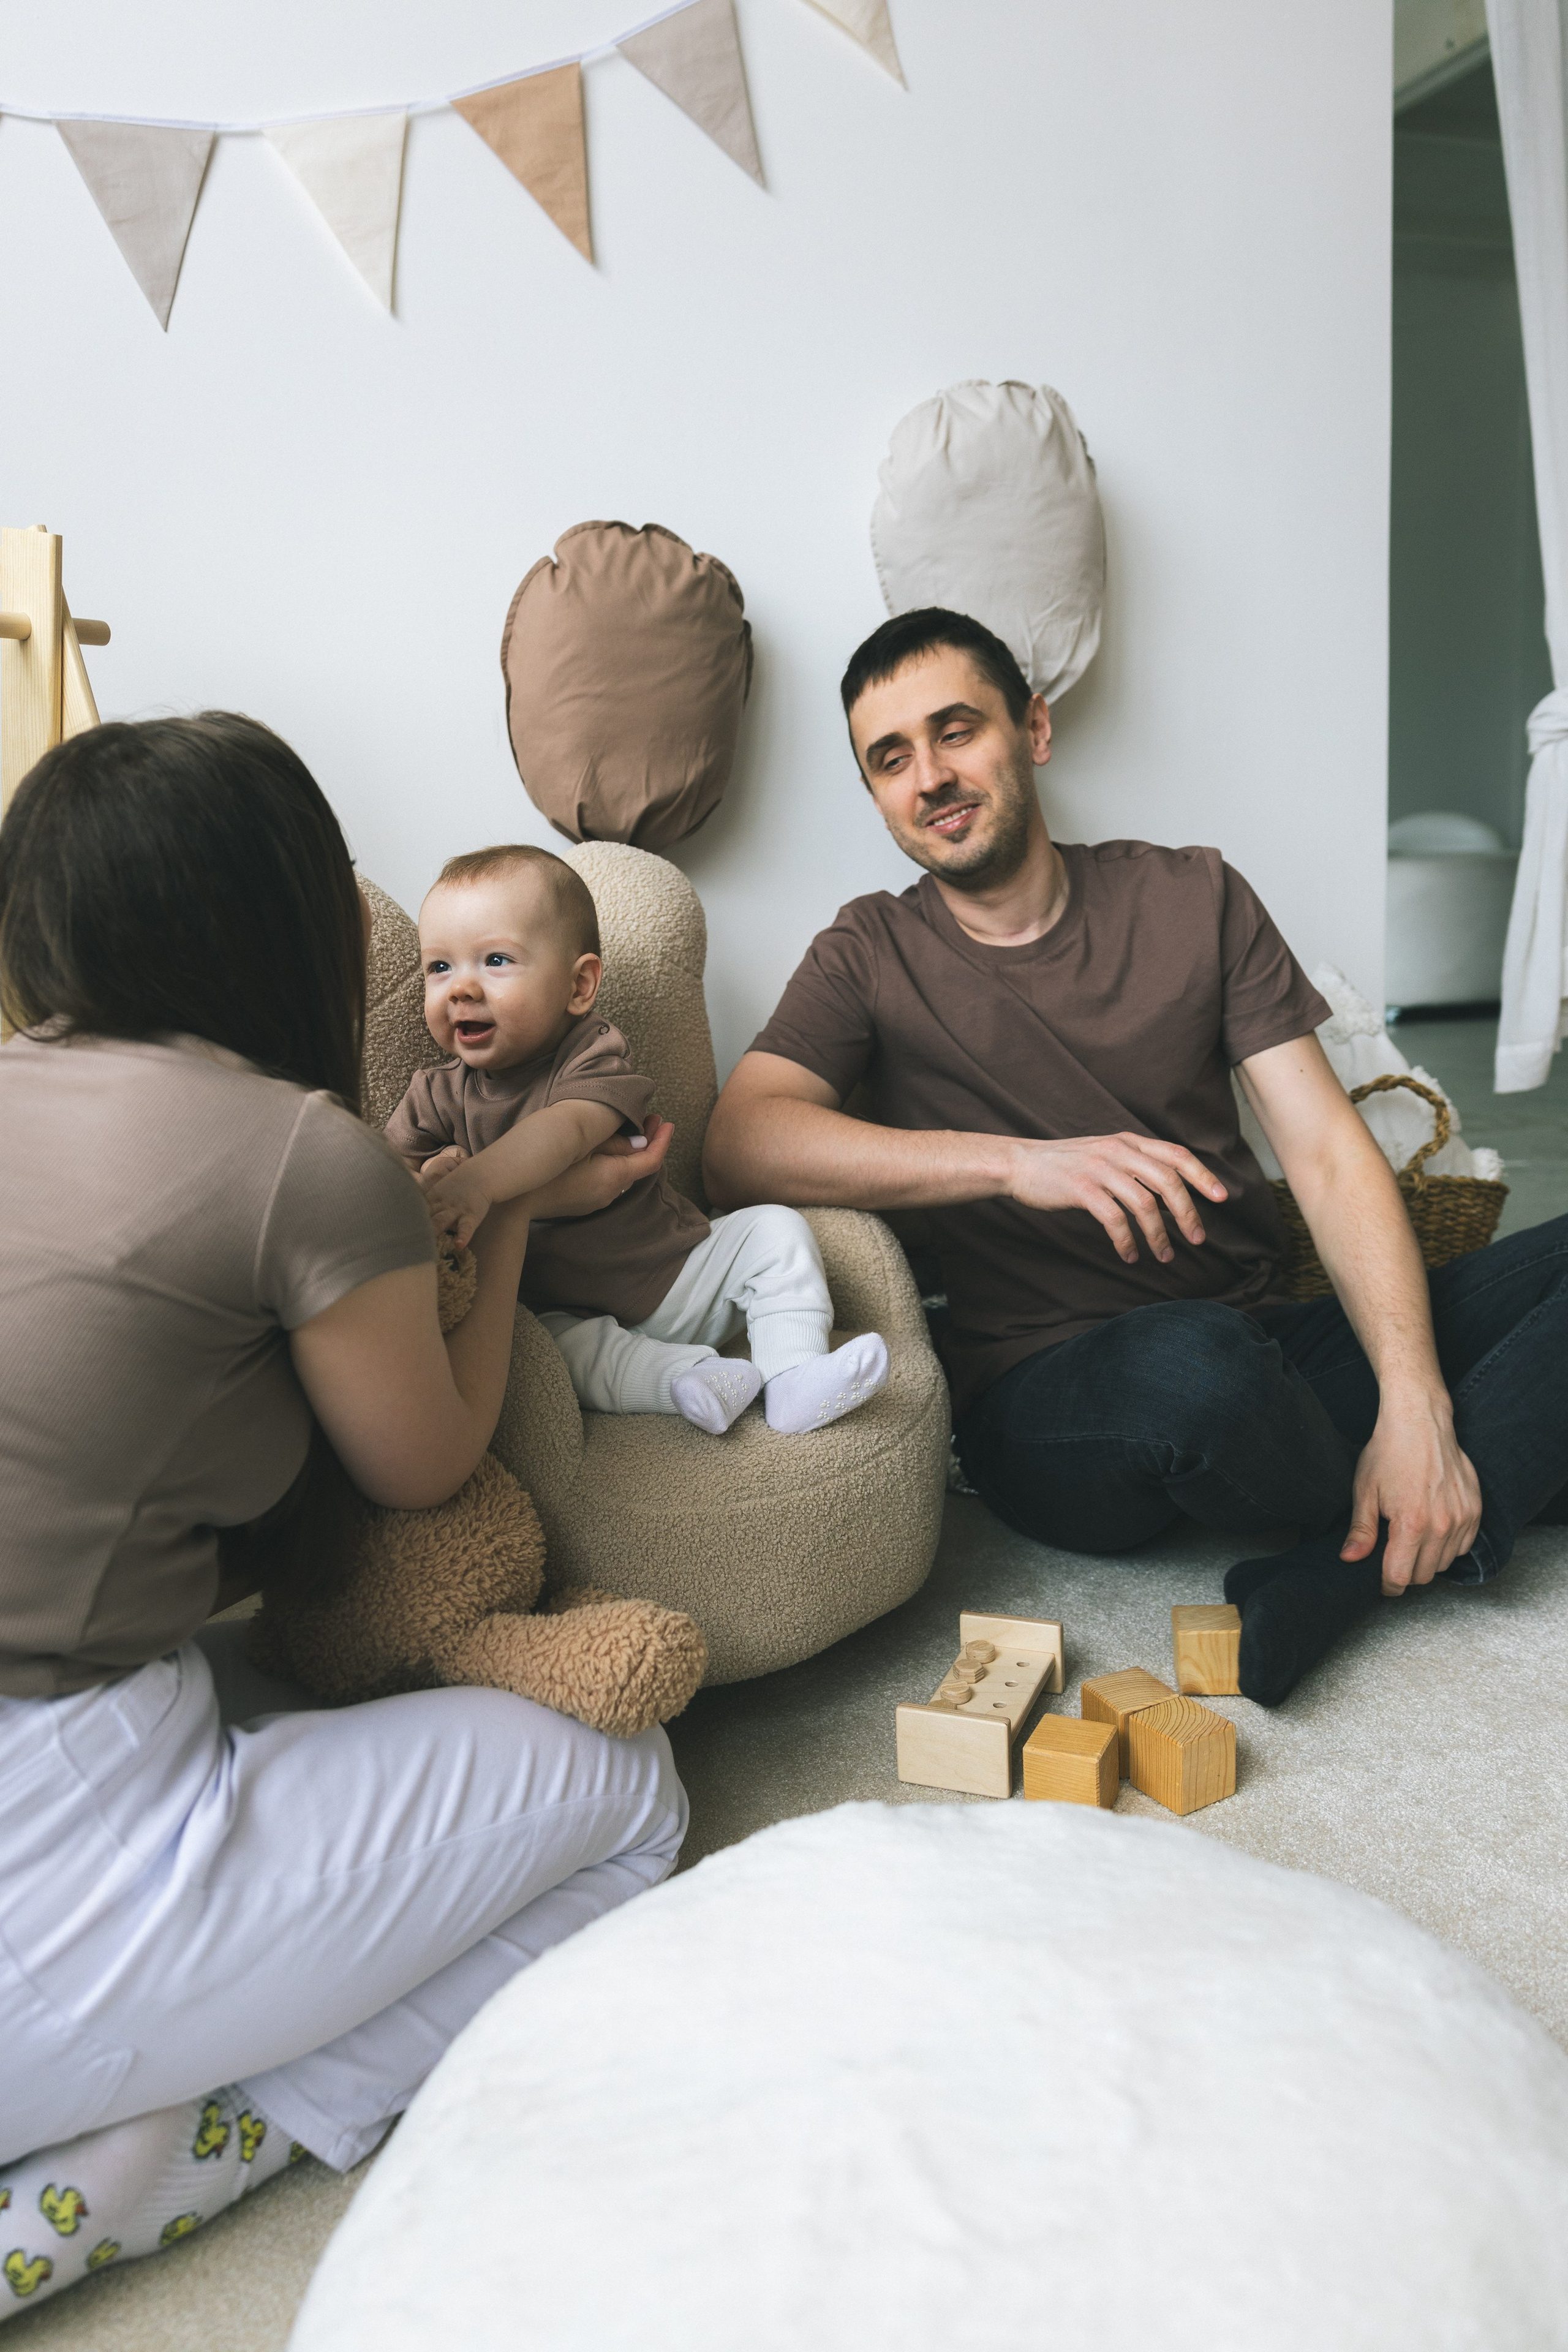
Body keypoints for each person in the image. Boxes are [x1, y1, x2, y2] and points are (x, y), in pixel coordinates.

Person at [0, 718, 687, 2320]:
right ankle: (188, 2148)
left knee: (290, 1692)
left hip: (87, 1734)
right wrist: (501, 1203)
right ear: (287, 915)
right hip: (51, 1840)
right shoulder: (298, 1156)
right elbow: (429, 1461)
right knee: (633, 1789)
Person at [702, 608, 1568, 1705]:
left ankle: (1339, 1572)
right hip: (1048, 1402)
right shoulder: (869, 951)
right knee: (1193, 1368)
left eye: (956, 730)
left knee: (1251, 1357)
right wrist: (1019, 1164)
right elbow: (740, 1144)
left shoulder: (1195, 896)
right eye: (890, 758)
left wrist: (1416, 1403)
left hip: (1270, 1346)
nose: (929, 776)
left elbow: (1327, 1153)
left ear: (1035, 729)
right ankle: (1494, 1469)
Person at [386, 843, 888, 1438]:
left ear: (579, 986)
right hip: (562, 1308)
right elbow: (382, 1178)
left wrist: (475, 1182)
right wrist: (421, 1182)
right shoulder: (435, 1093)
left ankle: (792, 1375)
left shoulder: (592, 1054)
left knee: (774, 1231)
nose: (460, 989)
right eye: (439, 967)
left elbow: (569, 1129)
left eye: (495, 960)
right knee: (548, 1352)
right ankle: (692, 1381)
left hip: (676, 1275)